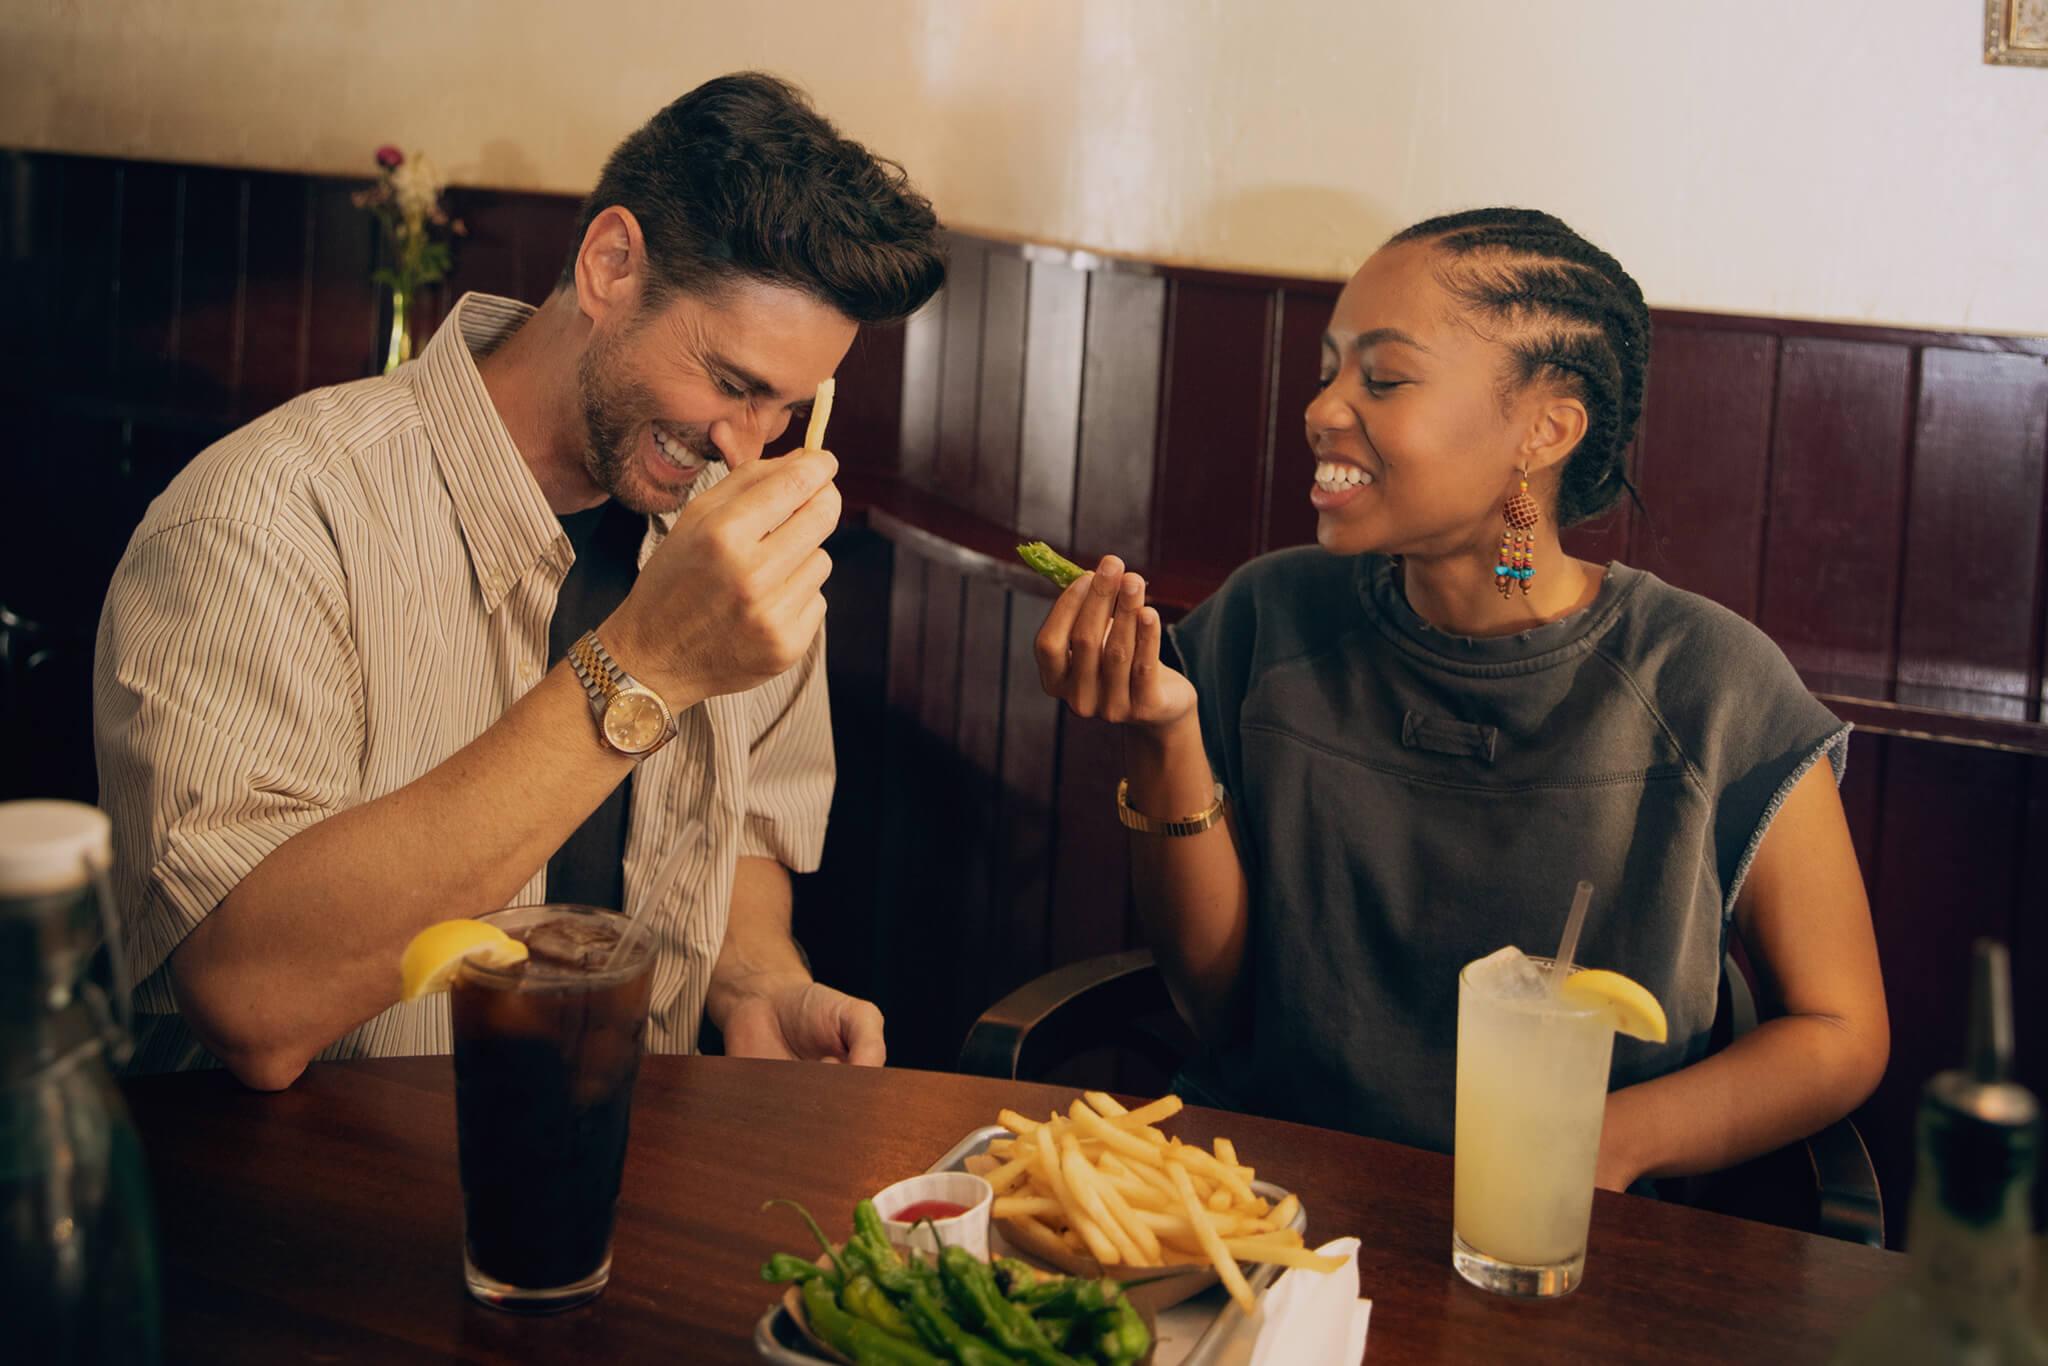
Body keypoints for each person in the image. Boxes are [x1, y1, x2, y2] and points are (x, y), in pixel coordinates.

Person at [94, 73, 946, 1089]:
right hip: (291, 1179)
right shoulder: (269, 516)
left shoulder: (735, 530)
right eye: (730, 383)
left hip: (625, 1158)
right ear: (610, 265)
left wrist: (757, 983)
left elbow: (743, 830)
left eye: (785, 408)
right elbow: (248, 999)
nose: (744, 445)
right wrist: (642, 668)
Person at [1033, 208, 1889, 1190]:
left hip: (1561, 1235)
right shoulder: (1266, 617)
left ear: (1544, 430)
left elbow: (1840, 1030)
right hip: (1266, 1203)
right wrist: (1164, 737)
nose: (1320, 409)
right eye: (1328, 370)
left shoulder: (1708, 679)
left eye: (1383, 378)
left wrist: (1604, 1141)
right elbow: (1216, 1007)